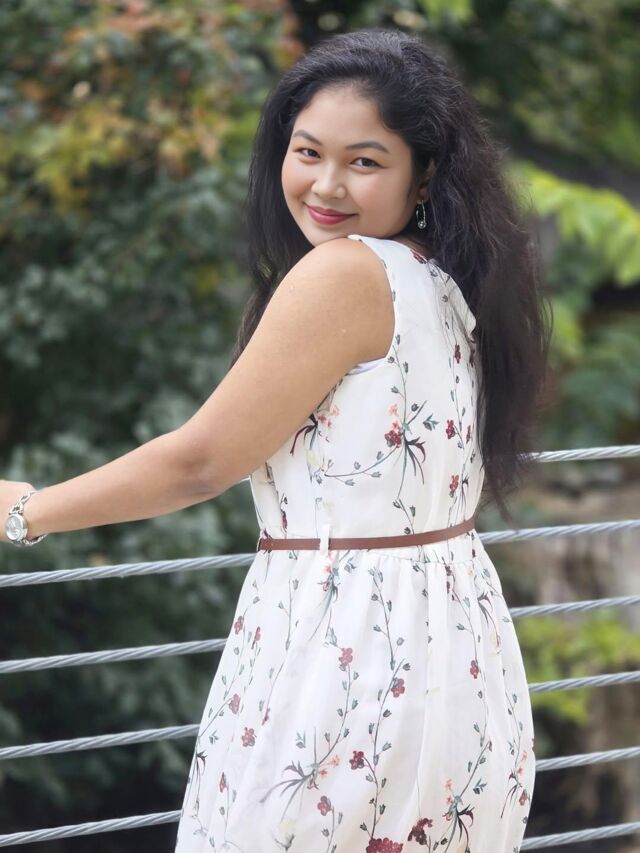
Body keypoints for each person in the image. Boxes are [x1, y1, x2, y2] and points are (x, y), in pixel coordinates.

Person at [1, 27, 551, 853]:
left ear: (424, 173)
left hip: (347, 655)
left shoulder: (344, 273)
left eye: (364, 161)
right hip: (455, 657)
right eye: (308, 152)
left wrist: (26, 511)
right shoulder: (448, 279)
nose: (326, 184)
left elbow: (200, 463)